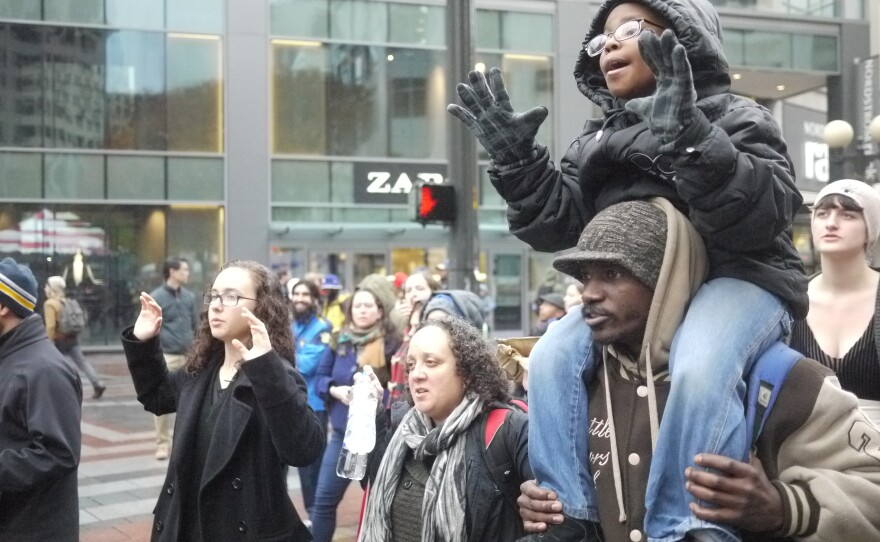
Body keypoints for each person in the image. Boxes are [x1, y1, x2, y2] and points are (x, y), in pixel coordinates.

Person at [448, 1, 807, 539]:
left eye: (631, 31)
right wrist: (519, 164)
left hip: (738, 278)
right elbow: (561, 227)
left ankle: (685, 524)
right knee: (549, 357)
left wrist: (690, 136)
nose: (609, 45)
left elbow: (763, 216)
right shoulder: (596, 139)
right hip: (638, 300)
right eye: (601, 39)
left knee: (701, 364)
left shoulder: (737, 116)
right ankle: (570, 513)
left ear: (683, 39)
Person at [517, 199, 880, 541]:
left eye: (612, 274)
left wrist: (784, 507)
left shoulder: (776, 378)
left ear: (665, 284)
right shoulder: (574, 384)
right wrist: (543, 505)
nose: (589, 293)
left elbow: (872, 486)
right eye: (585, 276)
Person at [122, 260, 325, 541]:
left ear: (262, 307)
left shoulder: (276, 376)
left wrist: (267, 369)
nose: (216, 305)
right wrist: (144, 342)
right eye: (214, 296)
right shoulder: (201, 369)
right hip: (185, 527)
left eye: (230, 297)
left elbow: (304, 450)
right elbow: (157, 397)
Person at [358, 317, 532, 541]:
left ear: (466, 374)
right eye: (411, 365)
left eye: (431, 362)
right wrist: (373, 416)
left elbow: (560, 521)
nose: (417, 374)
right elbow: (373, 484)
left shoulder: (507, 430)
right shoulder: (402, 428)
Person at [311, 274, 403, 542]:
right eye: (357, 306)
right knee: (323, 501)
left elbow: (399, 391)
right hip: (342, 435)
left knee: (380, 504)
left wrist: (375, 395)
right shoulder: (339, 340)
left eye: (368, 306)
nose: (362, 311)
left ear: (380, 311)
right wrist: (334, 389)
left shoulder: (392, 344)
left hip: (380, 436)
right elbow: (320, 377)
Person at [0, 257, 83, 541]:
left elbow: (58, 453)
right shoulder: (10, 357)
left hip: (33, 529)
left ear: (3, 307)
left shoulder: (45, 370)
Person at [790, 179, 880, 425]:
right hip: (804, 453)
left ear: (869, 230)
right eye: (822, 213)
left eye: (847, 215)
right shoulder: (790, 300)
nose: (831, 223)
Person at [289, 277, 333, 522]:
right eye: (296, 294)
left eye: (305, 295)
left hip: (313, 406)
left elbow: (307, 364)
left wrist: (281, 356)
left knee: (311, 467)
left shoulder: (322, 328)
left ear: (314, 300)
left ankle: (316, 517)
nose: (300, 299)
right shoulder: (290, 325)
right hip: (290, 403)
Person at [148, 257, 199, 460]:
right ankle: (162, 444)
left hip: (189, 356)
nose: (188, 273)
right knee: (162, 402)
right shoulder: (156, 297)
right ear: (172, 271)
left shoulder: (188, 296)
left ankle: (186, 443)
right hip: (167, 355)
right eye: (184, 270)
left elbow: (195, 324)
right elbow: (150, 327)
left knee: (191, 400)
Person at [43, 275, 106, 399]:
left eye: (47, 286)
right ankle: (97, 383)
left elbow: (50, 326)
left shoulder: (50, 304)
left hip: (58, 340)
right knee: (82, 362)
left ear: (52, 288)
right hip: (72, 337)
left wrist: (47, 342)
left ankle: (61, 389)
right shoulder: (67, 301)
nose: (45, 288)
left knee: (56, 365)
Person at [389, 271, 441, 406]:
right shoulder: (404, 322)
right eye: (408, 290)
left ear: (434, 292)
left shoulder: (437, 318)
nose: (413, 294)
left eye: (420, 288)